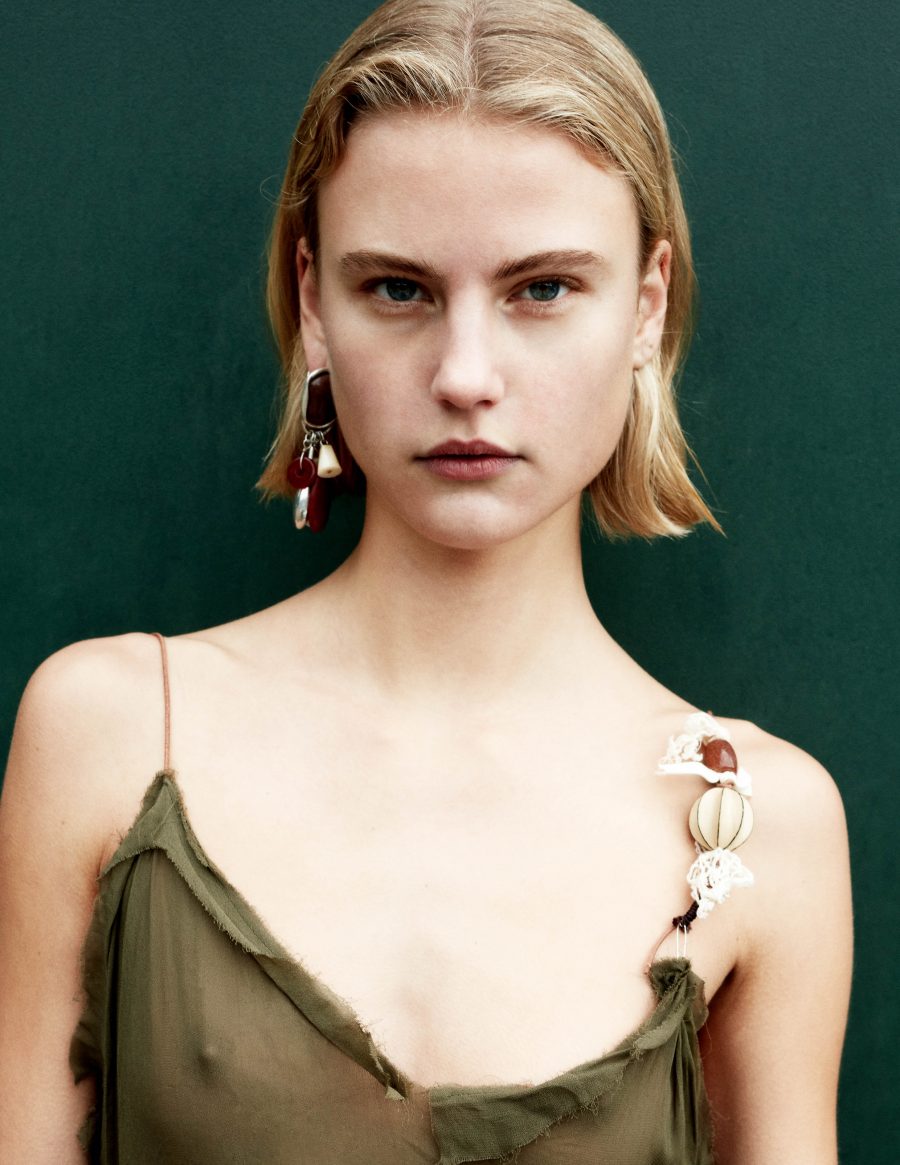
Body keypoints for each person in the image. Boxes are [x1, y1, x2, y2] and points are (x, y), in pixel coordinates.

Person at [0, 0, 853, 1161]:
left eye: (542, 289)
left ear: (646, 305)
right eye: (399, 289)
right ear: (313, 300)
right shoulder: (108, 733)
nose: (465, 375)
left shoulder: (760, 823)